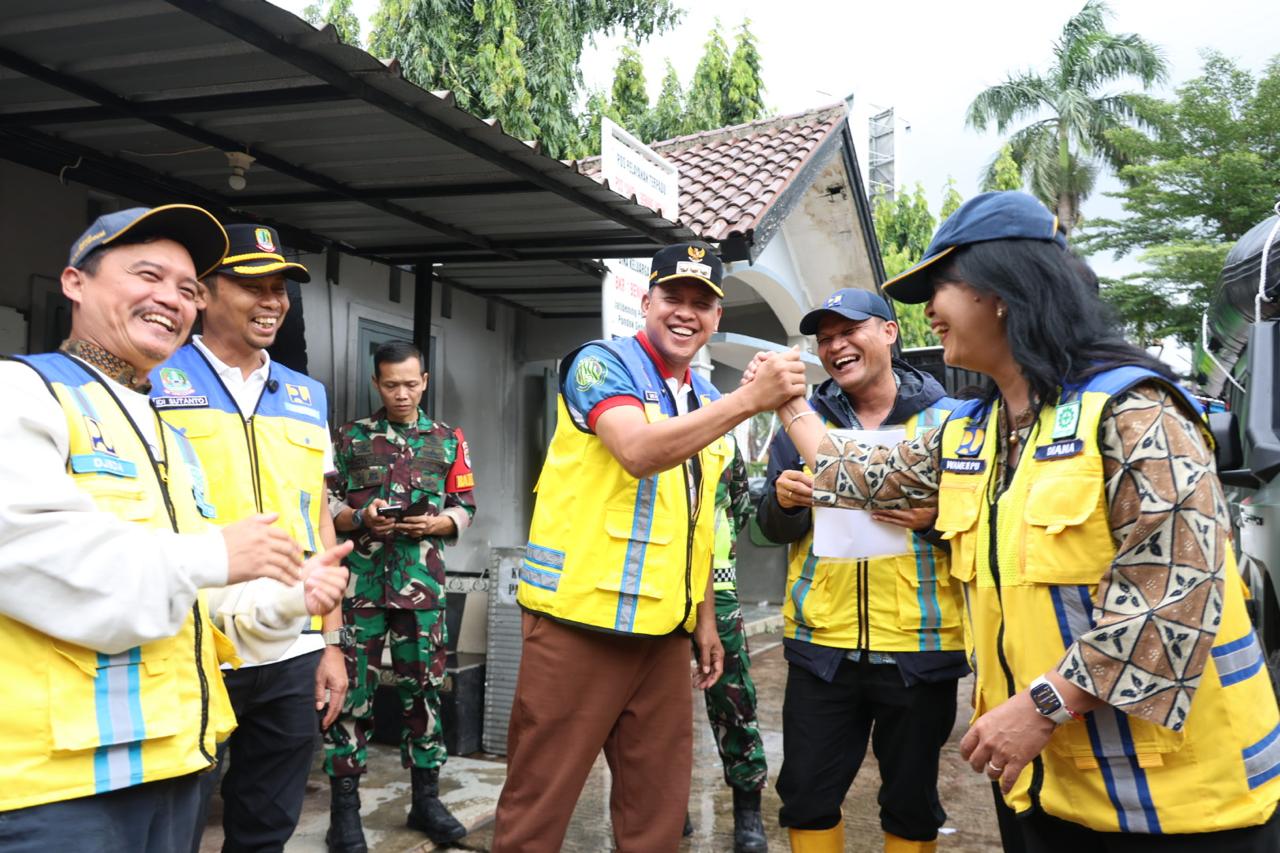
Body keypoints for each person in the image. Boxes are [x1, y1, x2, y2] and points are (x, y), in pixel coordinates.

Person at [771, 191, 1280, 851]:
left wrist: (1045, 702)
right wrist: (786, 403)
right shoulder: (975, 430)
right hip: (1044, 789)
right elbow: (860, 473)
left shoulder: (1134, 412)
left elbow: (1177, 601)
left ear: (1001, 290)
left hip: (1182, 806)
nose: (927, 310)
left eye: (940, 286)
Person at [0, 205, 348, 851]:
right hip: (58, 786)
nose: (171, 298)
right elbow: (31, 553)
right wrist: (212, 555)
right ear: (75, 282)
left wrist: (294, 602)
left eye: (185, 288)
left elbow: (205, 604)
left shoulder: (164, 433)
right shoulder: (23, 394)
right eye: (148, 275)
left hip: (170, 760)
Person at [491, 242, 807, 852]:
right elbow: (637, 451)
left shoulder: (708, 402)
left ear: (717, 319)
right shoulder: (598, 365)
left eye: (703, 303)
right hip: (577, 626)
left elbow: (698, 524)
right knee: (537, 812)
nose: (686, 313)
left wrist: (705, 621)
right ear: (646, 301)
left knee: (656, 818)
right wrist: (751, 400)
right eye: (673, 298)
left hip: (664, 636)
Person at [151, 223, 349, 852]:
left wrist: (331, 642)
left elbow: (318, 522)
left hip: (289, 644)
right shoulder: (153, 378)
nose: (271, 301)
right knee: (170, 825)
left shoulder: (305, 394)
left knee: (266, 828)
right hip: (193, 639)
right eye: (250, 285)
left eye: (280, 288)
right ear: (203, 295)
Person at [755, 288, 965, 853]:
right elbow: (772, 529)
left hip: (920, 647)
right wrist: (784, 502)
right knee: (805, 795)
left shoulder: (952, 422)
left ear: (890, 332)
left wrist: (932, 519)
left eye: (849, 330)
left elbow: (979, 529)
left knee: (912, 801)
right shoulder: (802, 423)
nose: (836, 346)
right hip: (821, 644)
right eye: (824, 339)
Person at [323, 341, 477, 851]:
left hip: (423, 585)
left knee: (425, 693)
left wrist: (440, 522)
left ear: (425, 381)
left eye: (411, 384)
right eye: (392, 385)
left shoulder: (448, 439)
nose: (402, 394)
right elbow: (327, 505)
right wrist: (358, 518)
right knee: (351, 696)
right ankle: (345, 810)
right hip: (360, 586)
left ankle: (425, 801)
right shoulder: (349, 438)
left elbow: (464, 503)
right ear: (377, 384)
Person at [694, 432, 769, 853]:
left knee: (733, 699)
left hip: (718, 591)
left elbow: (739, 508)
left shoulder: (721, 441)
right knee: (654, 708)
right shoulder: (648, 425)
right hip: (657, 588)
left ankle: (748, 810)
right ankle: (666, 805)